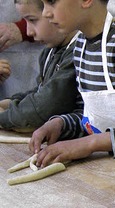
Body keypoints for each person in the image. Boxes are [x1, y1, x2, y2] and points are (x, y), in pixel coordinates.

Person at [28, 0, 115, 168]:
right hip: (107, 171)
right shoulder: (81, 46)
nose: (45, 13)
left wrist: (90, 144)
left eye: (52, 2)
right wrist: (61, 124)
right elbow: (92, 120)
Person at [0, 0, 80, 132]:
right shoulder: (50, 52)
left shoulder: (76, 53)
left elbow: (41, 110)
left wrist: (3, 117)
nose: (28, 31)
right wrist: (8, 103)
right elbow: (39, 92)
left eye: (32, 20)